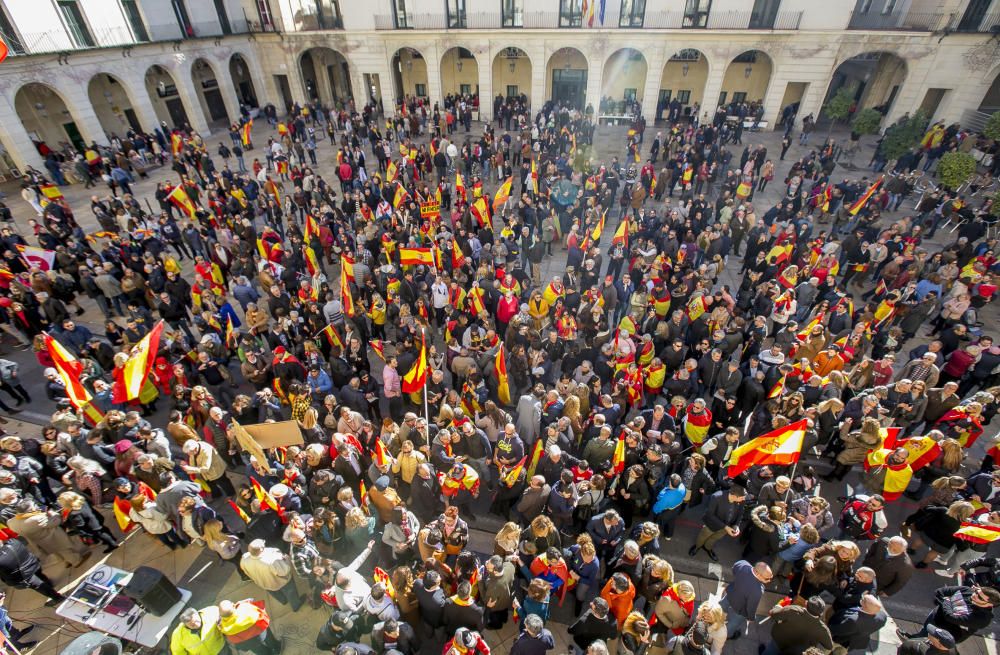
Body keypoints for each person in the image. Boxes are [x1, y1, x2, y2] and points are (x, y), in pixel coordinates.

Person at [239, 539, 303, 610]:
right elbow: (285, 571)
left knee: (275, 593)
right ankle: (296, 605)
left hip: (264, 584)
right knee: (290, 592)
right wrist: (287, 559)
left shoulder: (244, 559)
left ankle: (283, 601)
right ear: (261, 549)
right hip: (281, 582)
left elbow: (246, 572)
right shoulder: (272, 559)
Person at [720, 559, 771, 640]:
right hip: (740, 610)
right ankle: (726, 635)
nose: (769, 581)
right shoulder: (757, 591)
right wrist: (751, 618)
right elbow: (751, 607)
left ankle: (714, 620)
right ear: (757, 574)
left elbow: (734, 570)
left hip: (729, 596)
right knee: (733, 624)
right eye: (767, 579)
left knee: (720, 609)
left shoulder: (743, 565)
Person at [217, 599, 281, 655]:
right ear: (233, 605)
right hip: (260, 633)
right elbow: (258, 612)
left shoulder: (223, 627)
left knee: (260, 651)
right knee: (269, 639)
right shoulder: (245, 609)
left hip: (248, 643)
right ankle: (277, 648)